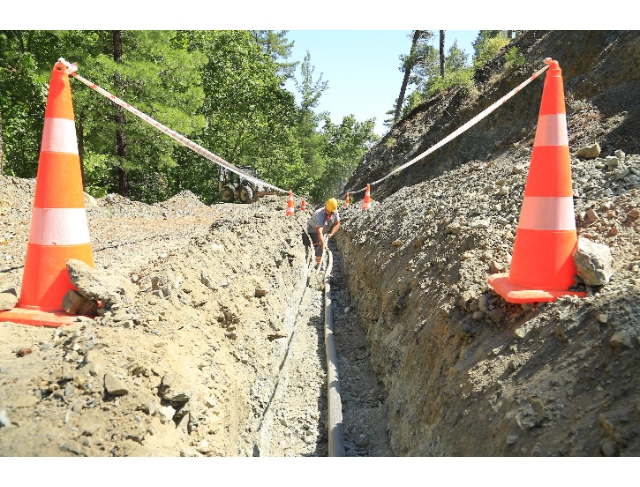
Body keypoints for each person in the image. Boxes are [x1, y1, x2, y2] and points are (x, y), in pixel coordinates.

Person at [305, 198, 340, 267]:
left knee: (321, 245)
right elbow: (319, 231)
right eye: (330, 212)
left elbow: (337, 224)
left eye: (332, 213)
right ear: (326, 209)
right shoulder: (320, 214)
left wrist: (331, 233)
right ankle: (319, 265)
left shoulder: (334, 212)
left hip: (323, 230)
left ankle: (321, 261)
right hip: (313, 230)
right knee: (318, 245)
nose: (331, 214)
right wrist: (323, 243)